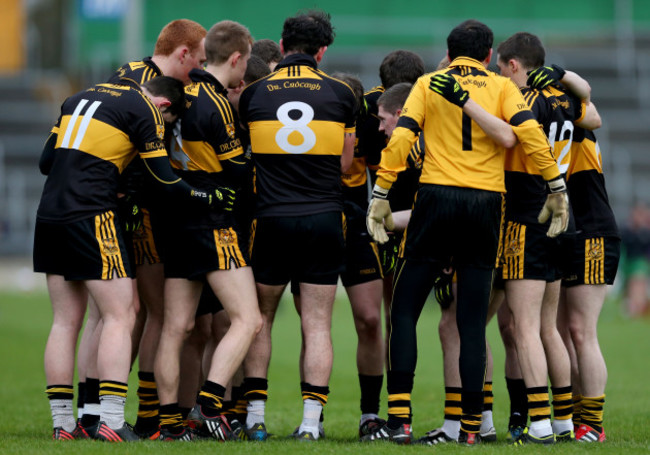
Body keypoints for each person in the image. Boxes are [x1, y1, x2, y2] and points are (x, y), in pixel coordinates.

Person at [363, 20, 568, 445]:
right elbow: (528, 134)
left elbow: (402, 136)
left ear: (449, 51)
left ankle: (399, 420)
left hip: (436, 199)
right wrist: (556, 185)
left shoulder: (428, 82)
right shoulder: (501, 86)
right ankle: (472, 428)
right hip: (485, 204)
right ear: (489, 54)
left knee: (404, 310)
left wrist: (381, 190)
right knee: (473, 322)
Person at [36, 75, 224, 442]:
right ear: (165, 106)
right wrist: (206, 198)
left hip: (49, 213)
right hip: (92, 213)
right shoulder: (146, 109)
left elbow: (47, 161)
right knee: (122, 314)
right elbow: (166, 180)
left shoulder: (77, 97)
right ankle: (111, 421)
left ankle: (63, 426)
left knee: (64, 322)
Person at [70, 19, 209, 440]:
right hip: (140, 211)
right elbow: (150, 165)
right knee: (148, 313)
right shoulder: (152, 90)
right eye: (198, 62)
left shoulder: (122, 74)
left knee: (107, 316)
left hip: (104, 205)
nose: (198, 72)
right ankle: (143, 416)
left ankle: (89, 413)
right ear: (182, 53)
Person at [238, 9, 356, 441]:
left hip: (270, 219)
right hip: (324, 218)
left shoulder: (254, 94)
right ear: (322, 51)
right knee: (318, 324)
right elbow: (346, 166)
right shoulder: (343, 94)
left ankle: (254, 420)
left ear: (282, 46)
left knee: (261, 319)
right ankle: (309, 425)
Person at [152, 19, 261, 442]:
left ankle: (169, 423)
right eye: (245, 63)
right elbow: (236, 169)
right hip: (212, 222)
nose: (244, 72)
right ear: (235, 58)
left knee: (175, 328)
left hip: (176, 220)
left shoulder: (176, 90)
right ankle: (210, 404)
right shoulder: (214, 102)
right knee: (248, 319)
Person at [496, 32, 601, 445]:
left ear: (514, 65)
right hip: (560, 217)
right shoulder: (562, 98)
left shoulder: (522, 102)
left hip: (526, 217)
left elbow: (505, 138)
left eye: (502, 69)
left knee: (523, 328)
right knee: (547, 329)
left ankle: (538, 424)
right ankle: (562, 422)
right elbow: (593, 116)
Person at [526, 66, 621, 442]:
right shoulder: (557, 116)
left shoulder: (574, 114)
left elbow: (586, 94)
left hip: (592, 230)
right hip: (561, 229)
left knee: (581, 331)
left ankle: (592, 423)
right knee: (561, 330)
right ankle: (574, 416)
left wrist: (561, 74)